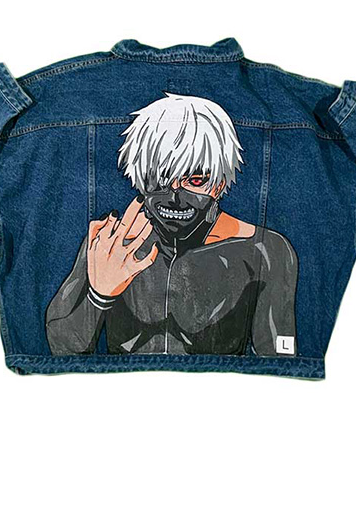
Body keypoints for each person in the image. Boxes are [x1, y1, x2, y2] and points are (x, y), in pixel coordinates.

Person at [44, 92, 299, 356]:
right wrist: (99, 296)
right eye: (161, 179)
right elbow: (62, 350)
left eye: (195, 180)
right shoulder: (110, 245)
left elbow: (280, 359)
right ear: (141, 179)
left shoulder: (265, 250)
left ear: (219, 184)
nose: (175, 196)